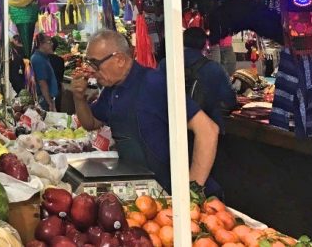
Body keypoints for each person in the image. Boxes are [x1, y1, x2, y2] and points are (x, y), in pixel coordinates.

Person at [70, 29, 221, 197]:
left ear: (119, 59)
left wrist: (190, 194)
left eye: (94, 64)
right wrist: (79, 98)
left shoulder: (154, 83)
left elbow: (208, 131)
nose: (90, 70)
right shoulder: (111, 89)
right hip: (144, 193)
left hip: (171, 193)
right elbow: (91, 123)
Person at [159, 27, 237, 133]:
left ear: (182, 42)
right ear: (205, 44)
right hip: (207, 130)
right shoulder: (214, 68)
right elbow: (230, 100)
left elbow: (155, 93)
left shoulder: (165, 64)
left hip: (172, 129)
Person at [31, 33, 59, 112]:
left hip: (47, 98)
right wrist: (50, 103)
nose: (52, 44)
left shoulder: (43, 57)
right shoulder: (38, 59)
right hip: (44, 100)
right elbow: (42, 83)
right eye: (49, 42)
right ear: (41, 44)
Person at [48, 37, 66, 111]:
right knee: (57, 111)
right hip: (57, 90)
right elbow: (60, 77)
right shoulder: (60, 60)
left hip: (45, 91)